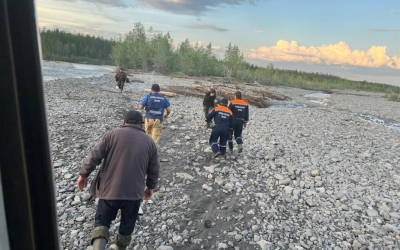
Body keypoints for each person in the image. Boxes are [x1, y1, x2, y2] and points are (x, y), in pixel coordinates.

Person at [77, 110, 160, 250]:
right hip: (133, 195)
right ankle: (119, 247)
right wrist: (150, 187)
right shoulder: (150, 142)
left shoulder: (112, 134)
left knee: (102, 222)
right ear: (141, 125)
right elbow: (154, 169)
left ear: (123, 123)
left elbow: (94, 156)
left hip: (109, 190)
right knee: (127, 225)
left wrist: (83, 174)